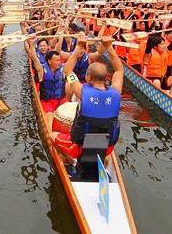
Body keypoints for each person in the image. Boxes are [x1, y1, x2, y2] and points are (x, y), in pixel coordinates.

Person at [50, 34, 123, 165]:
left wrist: (78, 46)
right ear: (105, 77)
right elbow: (119, 70)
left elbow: (67, 71)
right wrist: (109, 47)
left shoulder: (81, 92)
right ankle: (104, 159)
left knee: (52, 136)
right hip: (107, 147)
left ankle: (69, 159)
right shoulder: (116, 90)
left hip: (81, 148)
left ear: (88, 77)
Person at [27, 35, 66, 125]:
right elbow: (34, 58)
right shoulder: (42, 69)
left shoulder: (62, 68)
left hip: (61, 99)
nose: (59, 62)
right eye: (56, 60)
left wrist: (60, 39)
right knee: (50, 116)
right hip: (47, 101)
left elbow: (72, 57)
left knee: (73, 110)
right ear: (49, 61)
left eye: (59, 60)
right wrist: (32, 45)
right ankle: (51, 135)